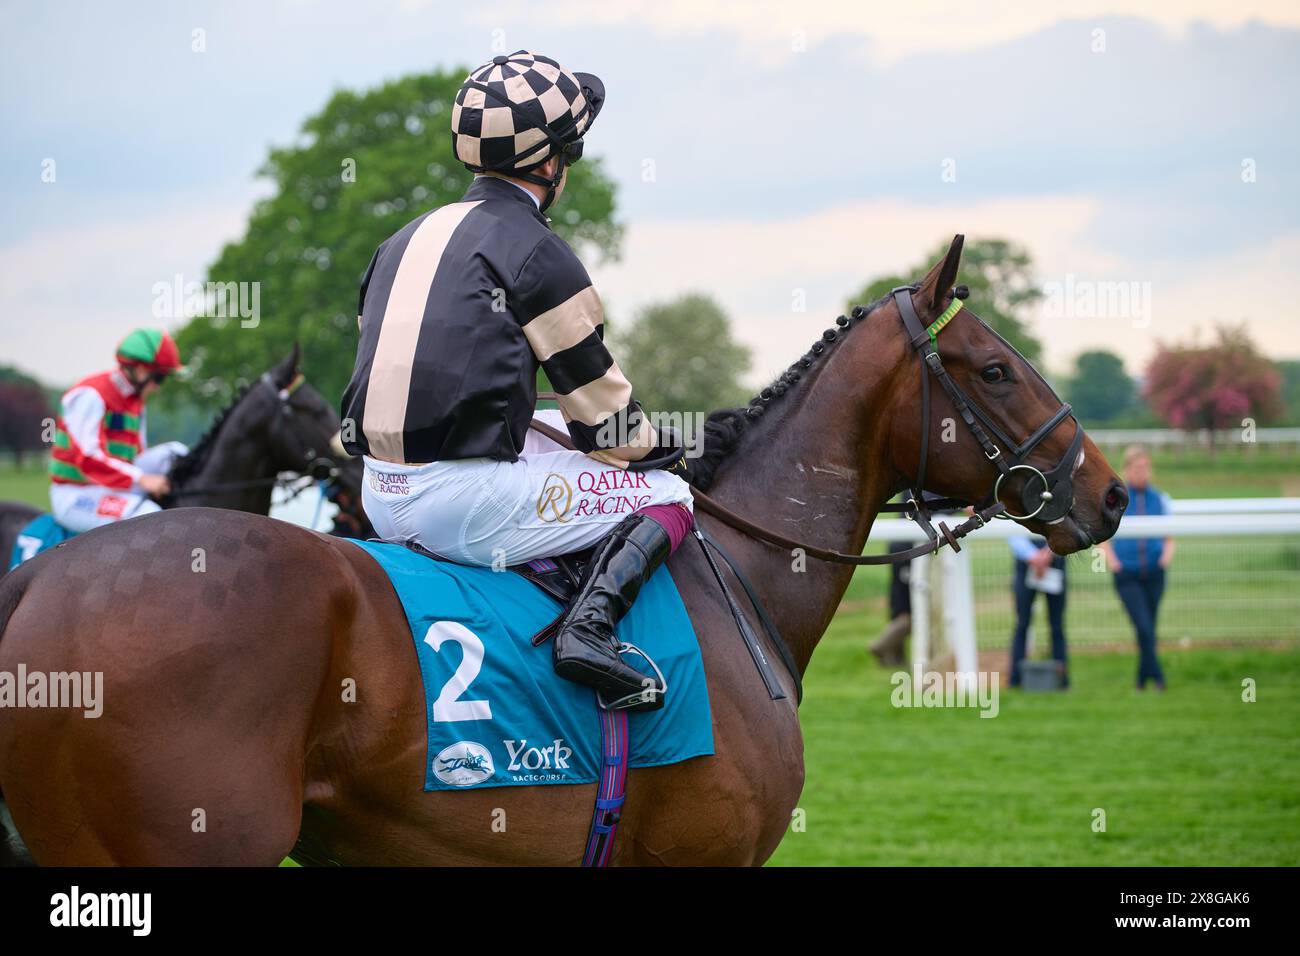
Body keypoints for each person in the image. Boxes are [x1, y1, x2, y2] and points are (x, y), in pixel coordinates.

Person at [340, 51, 693, 712]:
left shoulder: (403, 239)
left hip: (376, 486)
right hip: (456, 500)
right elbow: (605, 421)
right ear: (556, 159)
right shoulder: (538, 252)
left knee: (557, 437)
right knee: (668, 492)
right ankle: (587, 633)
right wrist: (673, 451)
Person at [49, 329, 187, 533]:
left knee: (176, 452)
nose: (158, 387)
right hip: (76, 494)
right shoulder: (91, 395)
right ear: (141, 371)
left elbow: (138, 456)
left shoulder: (136, 401)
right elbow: (88, 458)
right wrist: (142, 479)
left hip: (113, 484)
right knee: (148, 515)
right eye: (159, 378)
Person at [1099, 445, 1174, 690]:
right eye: (1137, 468)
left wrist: (1164, 558)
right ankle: (1158, 678)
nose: (1142, 472)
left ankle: (1142, 680)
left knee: (1149, 627)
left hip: (1154, 571)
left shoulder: (1160, 499)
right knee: (1143, 625)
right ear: (1127, 470)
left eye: (1146, 467)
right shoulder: (1117, 500)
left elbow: (1170, 535)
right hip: (1127, 573)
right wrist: (1114, 563)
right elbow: (1103, 535)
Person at [1007, 535, 1068, 688]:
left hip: (1056, 561)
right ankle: (1015, 680)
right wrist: (1033, 556)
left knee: (1057, 626)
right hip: (1026, 563)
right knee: (1022, 624)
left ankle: (1061, 680)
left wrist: (1047, 554)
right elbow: (1013, 529)